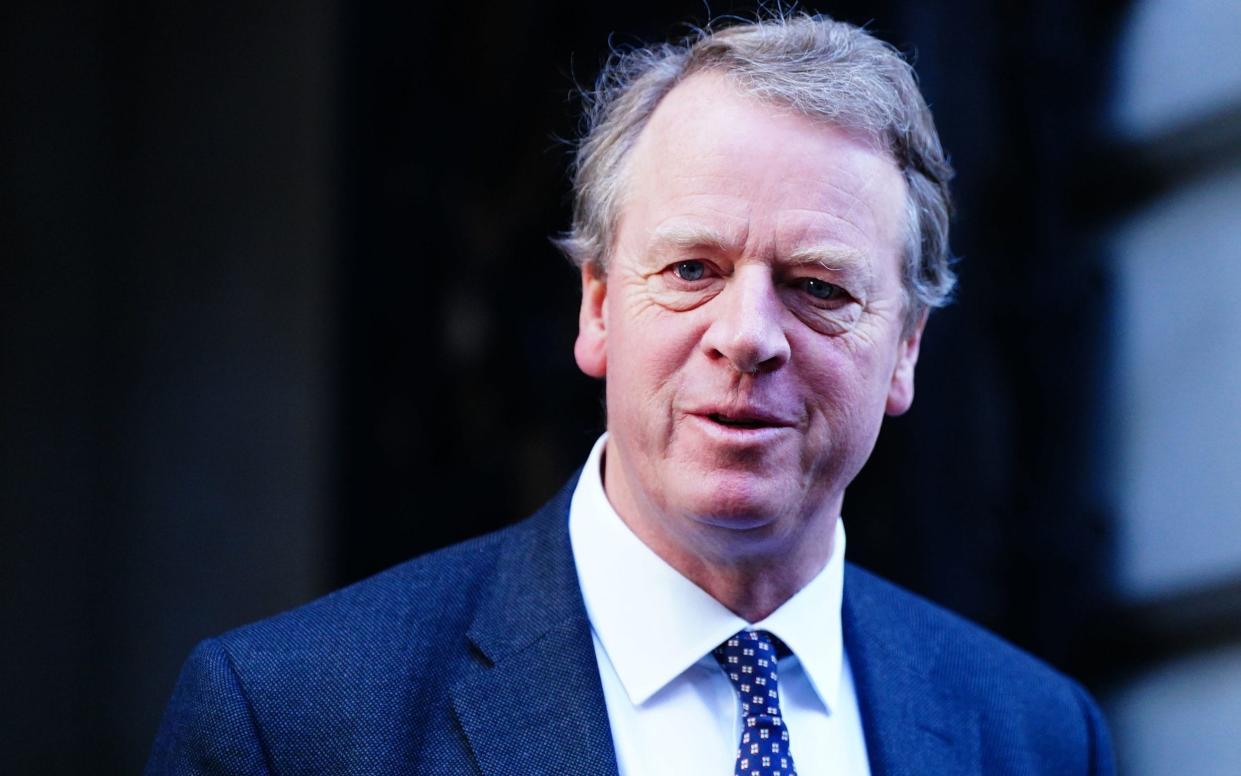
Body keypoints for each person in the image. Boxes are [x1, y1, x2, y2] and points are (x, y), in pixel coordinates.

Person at [147, 13, 1114, 775]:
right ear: (598, 308)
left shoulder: (1035, 738)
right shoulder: (290, 722)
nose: (747, 335)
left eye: (819, 286)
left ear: (903, 349)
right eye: (693, 268)